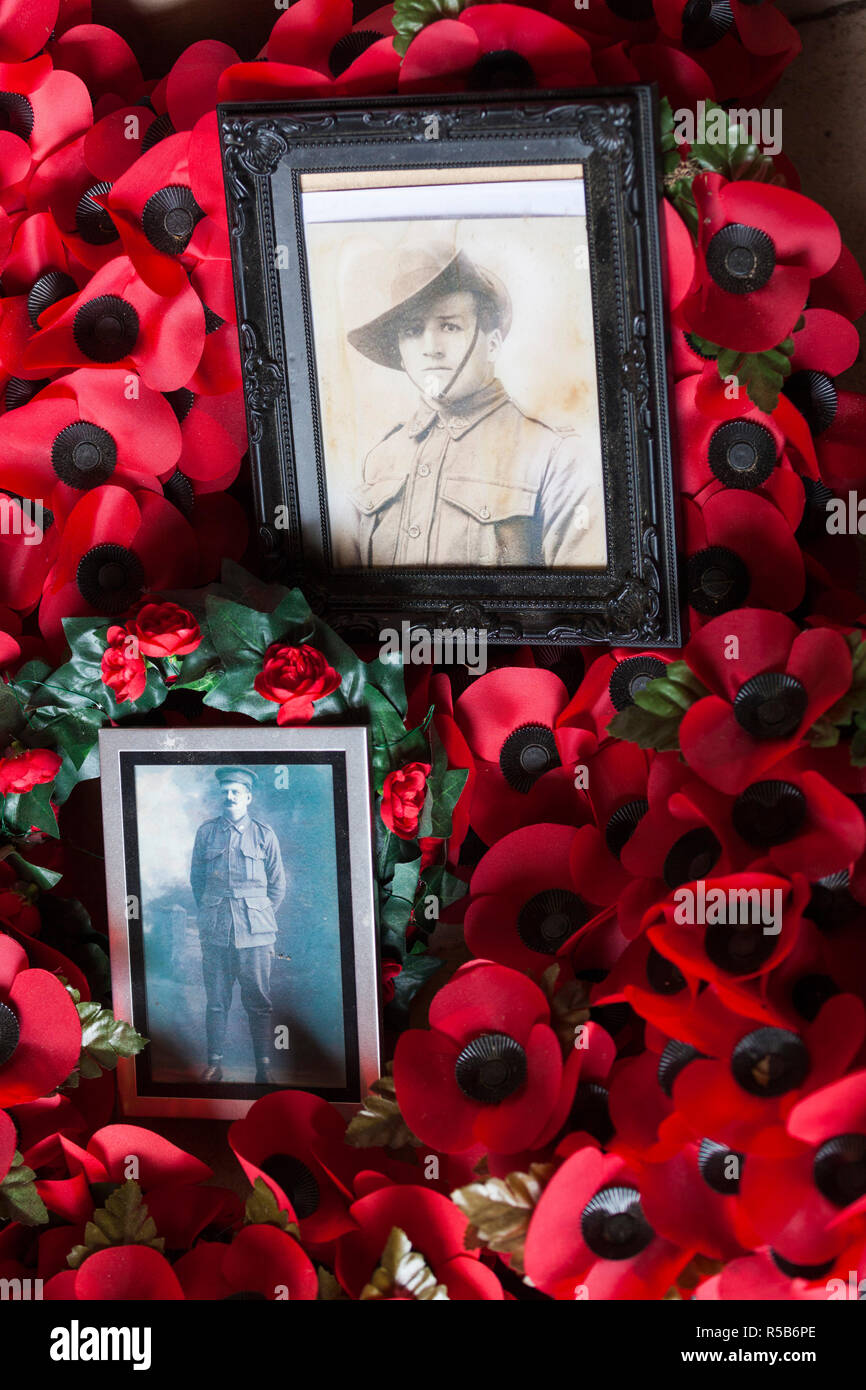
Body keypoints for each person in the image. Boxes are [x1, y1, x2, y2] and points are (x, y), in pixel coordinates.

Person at [344, 241, 603, 569]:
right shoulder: (382, 457)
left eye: (449, 326)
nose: (430, 348)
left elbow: (579, 603)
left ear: (492, 344)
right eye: (413, 330)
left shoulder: (554, 454)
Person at [189, 766, 286, 1085]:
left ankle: (264, 1067)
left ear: (248, 797)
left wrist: (258, 914)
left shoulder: (264, 834)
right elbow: (197, 881)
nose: (229, 796)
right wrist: (211, 912)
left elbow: (277, 886)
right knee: (216, 1001)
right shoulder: (206, 833)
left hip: (256, 932)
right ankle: (214, 1065)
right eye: (224, 791)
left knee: (258, 1000)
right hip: (216, 930)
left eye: (235, 792)